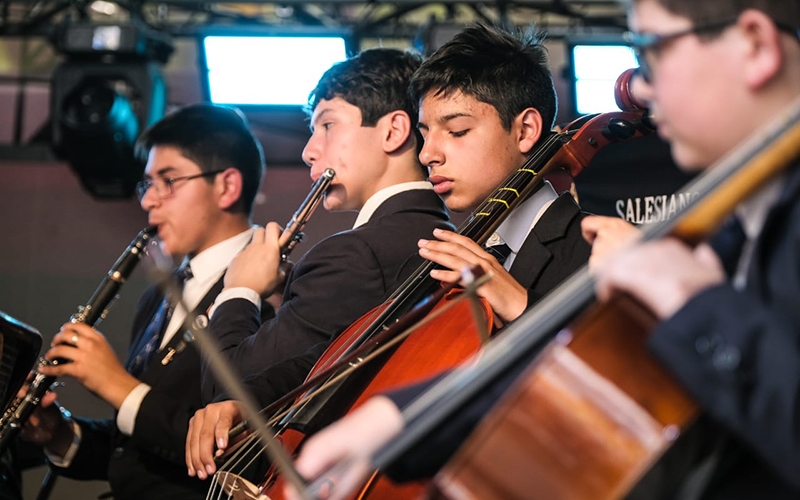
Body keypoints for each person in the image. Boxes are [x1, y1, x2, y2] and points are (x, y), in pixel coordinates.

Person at [287, 2, 800, 499]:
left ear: (754, 45)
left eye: (653, 49)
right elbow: (568, 373)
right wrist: (397, 417)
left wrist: (689, 299)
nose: (639, 85)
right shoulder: (737, 223)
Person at [187, 23, 594, 482]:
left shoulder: (591, 246)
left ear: (525, 130)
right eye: (426, 132)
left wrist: (520, 308)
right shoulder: (458, 251)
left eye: (456, 131)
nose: (430, 154)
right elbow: (355, 354)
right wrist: (249, 400)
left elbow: (606, 393)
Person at [186, 47, 454, 480]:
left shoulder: (354, 253)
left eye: (328, 125)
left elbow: (228, 389)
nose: (310, 150)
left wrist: (239, 289)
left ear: (394, 131)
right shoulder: (433, 234)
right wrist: (278, 294)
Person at [17, 103, 273, 500]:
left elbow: (237, 446)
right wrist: (58, 431)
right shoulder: (159, 293)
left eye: (168, 181)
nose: (148, 201)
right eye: (147, 184)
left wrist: (118, 386)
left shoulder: (268, 290)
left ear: (227, 186)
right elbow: (134, 452)